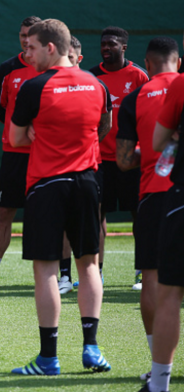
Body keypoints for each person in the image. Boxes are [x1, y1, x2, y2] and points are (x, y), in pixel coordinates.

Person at [9, 19, 112, 376]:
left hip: (47, 185)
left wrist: (40, 133)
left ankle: (49, 358)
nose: (27, 53)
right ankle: (91, 349)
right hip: (86, 181)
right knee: (88, 264)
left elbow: (16, 138)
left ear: (51, 47)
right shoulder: (97, 84)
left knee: (47, 270)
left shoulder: (34, 86)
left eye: (32, 47)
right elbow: (104, 127)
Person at [116, 37, 180, 385]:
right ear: (177, 61)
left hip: (156, 196)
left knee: (155, 280)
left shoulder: (134, 97)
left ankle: (160, 369)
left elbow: (124, 161)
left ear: (147, 63)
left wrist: (150, 153)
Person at [0, 16, 42, 289]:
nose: (26, 40)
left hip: (46, 155)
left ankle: (61, 275)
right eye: (22, 35)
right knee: (5, 214)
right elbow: (1, 110)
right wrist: (22, 130)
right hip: (14, 153)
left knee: (49, 214)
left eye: (31, 35)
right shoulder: (8, 69)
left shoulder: (51, 68)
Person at [86, 26, 149, 289]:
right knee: (98, 215)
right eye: (103, 44)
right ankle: (96, 273)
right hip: (100, 161)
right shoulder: (90, 77)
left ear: (124, 47)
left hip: (133, 159)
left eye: (111, 44)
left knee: (140, 215)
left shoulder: (138, 76)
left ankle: (142, 272)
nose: (105, 48)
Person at [137, 53, 184, 392]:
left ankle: (160, 385)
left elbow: (155, 143)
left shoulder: (180, 85)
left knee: (169, 294)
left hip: (179, 198)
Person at [58, 35, 84, 294]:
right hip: (55, 171)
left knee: (93, 223)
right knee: (62, 225)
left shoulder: (93, 85)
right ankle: (64, 276)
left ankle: (91, 275)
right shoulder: (48, 86)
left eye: (73, 59)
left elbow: (105, 124)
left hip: (88, 168)